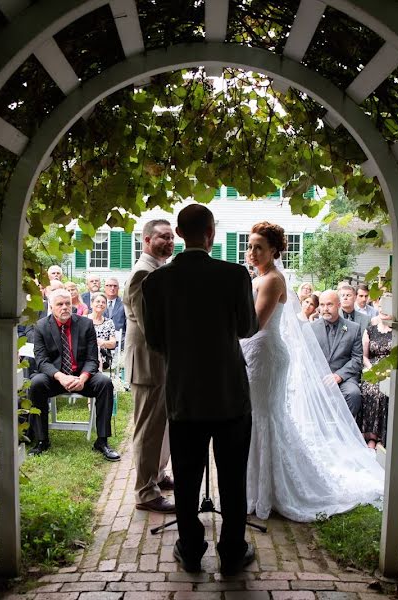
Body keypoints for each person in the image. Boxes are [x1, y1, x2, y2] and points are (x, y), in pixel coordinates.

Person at [240, 223, 398, 522]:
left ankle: (271, 490)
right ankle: (258, 487)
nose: (252, 252)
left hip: (266, 354)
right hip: (257, 353)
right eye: (250, 245)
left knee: (264, 417)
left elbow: (254, 323)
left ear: (273, 250)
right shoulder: (258, 278)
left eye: (259, 246)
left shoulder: (271, 280)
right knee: (260, 416)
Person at [142, 205, 258, 575]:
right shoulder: (235, 275)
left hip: (185, 393)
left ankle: (191, 549)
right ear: (211, 233)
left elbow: (156, 341)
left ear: (178, 232)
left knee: (188, 477)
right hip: (229, 392)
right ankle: (232, 549)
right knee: (233, 475)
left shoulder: (157, 282)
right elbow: (247, 329)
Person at [27, 288, 119, 460]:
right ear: (52, 307)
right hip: (55, 377)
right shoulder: (41, 327)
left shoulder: (85, 324)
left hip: (81, 377)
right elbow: (42, 361)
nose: (65, 307)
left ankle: (102, 441)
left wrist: (83, 378)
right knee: (36, 383)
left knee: (104, 383)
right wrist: (61, 376)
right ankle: (42, 440)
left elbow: (92, 359)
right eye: (60, 304)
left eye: (68, 303)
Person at [126, 219, 175, 514]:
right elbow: (150, 327)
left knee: (162, 425)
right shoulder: (143, 273)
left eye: (171, 238)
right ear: (146, 240)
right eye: (162, 238)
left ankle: (157, 475)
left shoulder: (158, 270)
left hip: (159, 361)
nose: (168, 242)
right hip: (148, 362)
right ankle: (145, 492)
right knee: (147, 429)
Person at [310, 290, 364, 417]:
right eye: (322, 305)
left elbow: (357, 359)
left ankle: (344, 432)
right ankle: (320, 432)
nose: (325, 309)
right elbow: (308, 357)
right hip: (319, 377)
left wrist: (339, 376)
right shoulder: (311, 328)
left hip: (345, 378)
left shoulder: (353, 328)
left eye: (329, 305)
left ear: (339, 305)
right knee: (309, 392)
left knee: (353, 394)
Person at [358, 299, 393, 449]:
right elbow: (364, 356)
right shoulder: (370, 330)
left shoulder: (397, 332)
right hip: (372, 368)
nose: (384, 311)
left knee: (384, 392)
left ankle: (381, 437)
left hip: (391, 370)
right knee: (369, 389)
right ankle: (369, 436)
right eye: (381, 307)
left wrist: (387, 370)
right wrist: (372, 368)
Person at [88, 292, 117, 372]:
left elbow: (113, 343)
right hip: (86, 355)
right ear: (91, 304)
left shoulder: (109, 322)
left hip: (103, 356)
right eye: (98, 301)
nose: (100, 304)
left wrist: (102, 343)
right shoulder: (84, 320)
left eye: (103, 302)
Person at [103, 277, 126, 344]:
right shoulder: (99, 303)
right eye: (110, 285)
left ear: (118, 288)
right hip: (102, 341)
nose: (112, 288)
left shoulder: (124, 304)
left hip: (120, 341)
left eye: (115, 286)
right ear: (105, 287)